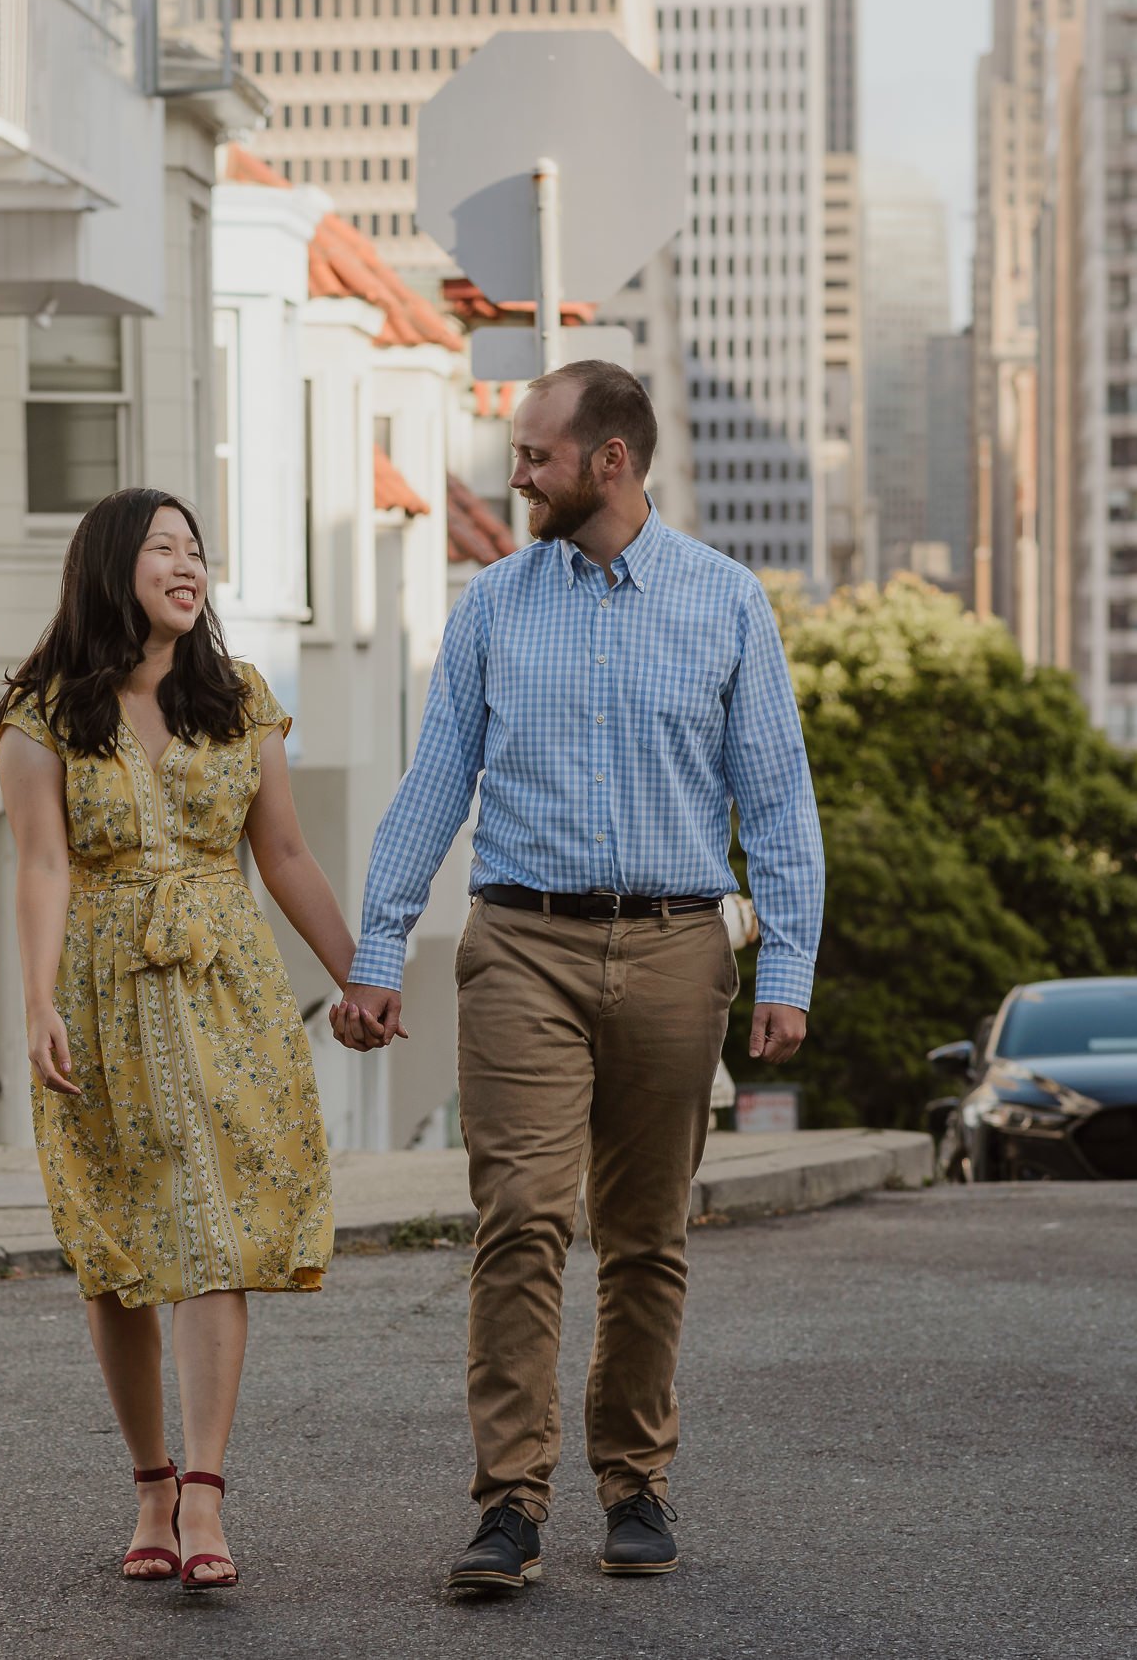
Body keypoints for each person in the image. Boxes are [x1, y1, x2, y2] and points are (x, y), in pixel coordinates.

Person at [330, 361, 825, 1593]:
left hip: (675, 947)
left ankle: (635, 1478)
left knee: (647, 1232)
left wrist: (791, 967)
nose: (517, 473)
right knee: (521, 1220)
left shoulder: (724, 602)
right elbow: (434, 780)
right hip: (522, 945)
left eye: (536, 454)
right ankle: (508, 1503)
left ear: (610, 460)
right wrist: (378, 947)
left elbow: (775, 794)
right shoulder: (494, 603)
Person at [0, 487, 357, 1592]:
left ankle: (203, 1491)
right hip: (101, 989)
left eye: (197, 550)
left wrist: (361, 972)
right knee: (117, 1248)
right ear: (113, 566)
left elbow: (284, 854)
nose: (188, 565)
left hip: (222, 985)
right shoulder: (42, 710)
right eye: (163, 548)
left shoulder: (237, 696)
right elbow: (44, 867)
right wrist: (37, 1002)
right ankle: (148, 1478)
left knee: (216, 1229)